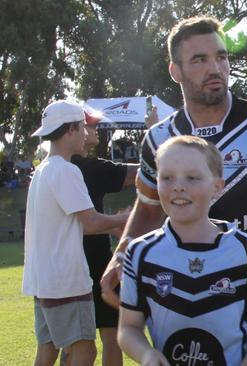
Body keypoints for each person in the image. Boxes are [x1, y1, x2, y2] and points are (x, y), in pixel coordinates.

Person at [100, 17, 247, 366]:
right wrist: (121, 253)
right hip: (178, 297)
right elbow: (146, 209)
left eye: (221, 57)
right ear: (175, 71)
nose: (215, 68)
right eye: (199, 60)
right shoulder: (159, 138)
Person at [118, 136, 247, 365]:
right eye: (167, 177)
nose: (178, 186)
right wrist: (146, 353)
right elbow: (128, 328)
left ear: (217, 188)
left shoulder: (242, 247)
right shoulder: (140, 252)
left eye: (192, 178)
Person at [23, 100, 129, 366]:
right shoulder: (66, 170)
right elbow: (90, 223)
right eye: (82, 127)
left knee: (47, 351)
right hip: (66, 281)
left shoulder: (42, 171)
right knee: (84, 351)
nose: (86, 133)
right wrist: (126, 218)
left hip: (44, 281)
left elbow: (79, 222)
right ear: (70, 129)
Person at [66, 115, 138, 366]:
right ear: (74, 131)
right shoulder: (88, 167)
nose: (95, 129)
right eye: (90, 125)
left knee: (72, 342)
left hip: (68, 265)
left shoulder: (53, 168)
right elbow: (139, 174)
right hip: (93, 262)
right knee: (109, 334)